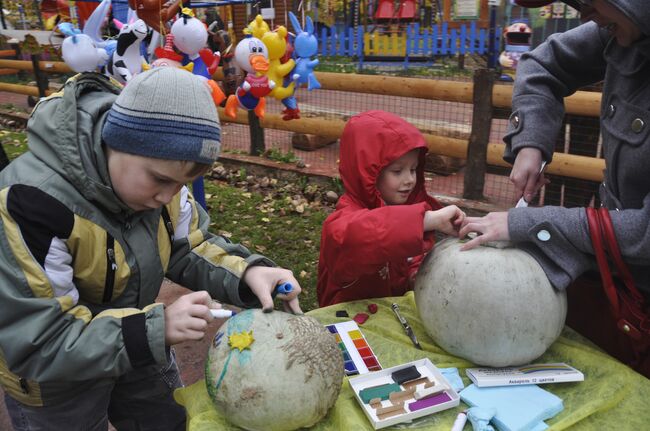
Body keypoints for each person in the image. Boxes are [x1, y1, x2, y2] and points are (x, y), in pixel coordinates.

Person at [0, 67, 302, 431]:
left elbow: (188, 246)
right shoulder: (30, 204)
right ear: (116, 142)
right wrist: (153, 331)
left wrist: (248, 272)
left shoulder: (163, 184)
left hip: (137, 342)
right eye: (160, 180)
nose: (167, 197)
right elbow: (42, 339)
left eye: (183, 184)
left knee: (167, 421)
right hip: (57, 384)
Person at [460, 0, 650, 375]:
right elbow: (542, 64)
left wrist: (525, 224)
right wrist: (531, 140)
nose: (584, 16)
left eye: (590, 2)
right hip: (609, 271)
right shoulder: (619, 27)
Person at [317, 110, 465, 306]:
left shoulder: (404, 208)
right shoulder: (343, 221)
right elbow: (365, 235)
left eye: (413, 169)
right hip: (347, 318)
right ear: (367, 172)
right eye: (397, 171)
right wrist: (426, 220)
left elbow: (407, 260)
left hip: (389, 312)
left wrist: (414, 276)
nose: (409, 180)